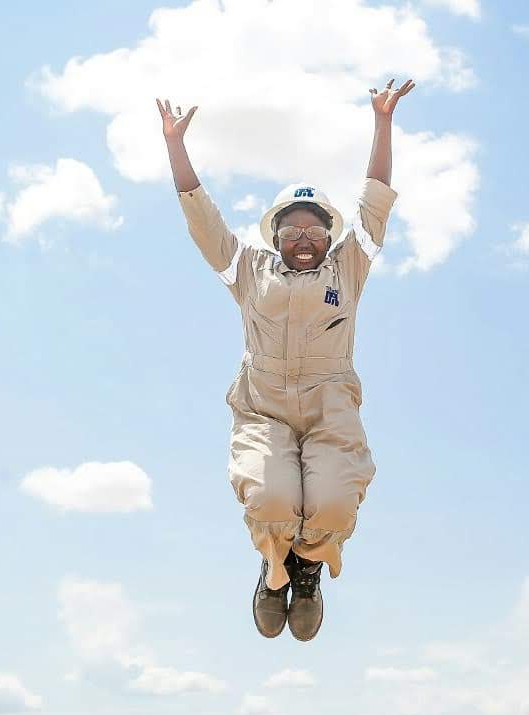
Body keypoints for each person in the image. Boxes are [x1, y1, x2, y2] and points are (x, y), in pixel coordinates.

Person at [157, 78, 415, 641]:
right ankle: (273, 571)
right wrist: (176, 145)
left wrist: (383, 123)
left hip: (329, 404)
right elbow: (203, 220)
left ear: (329, 236)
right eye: (293, 228)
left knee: (333, 503)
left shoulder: (347, 270)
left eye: (315, 228)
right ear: (276, 236)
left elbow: (375, 198)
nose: (304, 237)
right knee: (273, 497)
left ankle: (307, 568)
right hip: (264, 404)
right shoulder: (248, 269)